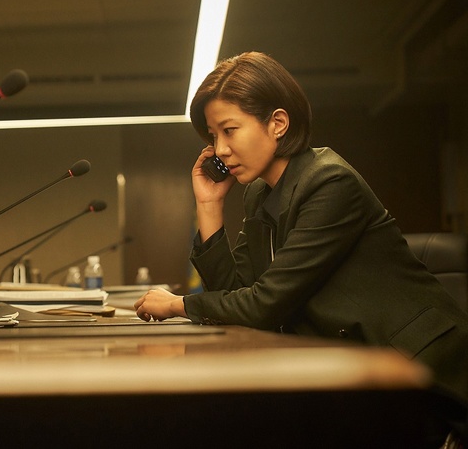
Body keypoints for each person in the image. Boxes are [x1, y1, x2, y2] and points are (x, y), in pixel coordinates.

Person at [134, 51, 468, 444]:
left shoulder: (329, 182)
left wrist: (178, 304)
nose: (219, 149)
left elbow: (263, 304)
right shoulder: (261, 194)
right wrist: (209, 205)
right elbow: (234, 292)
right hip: (356, 373)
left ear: (277, 123)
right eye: (213, 136)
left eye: (230, 130)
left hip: (421, 378)